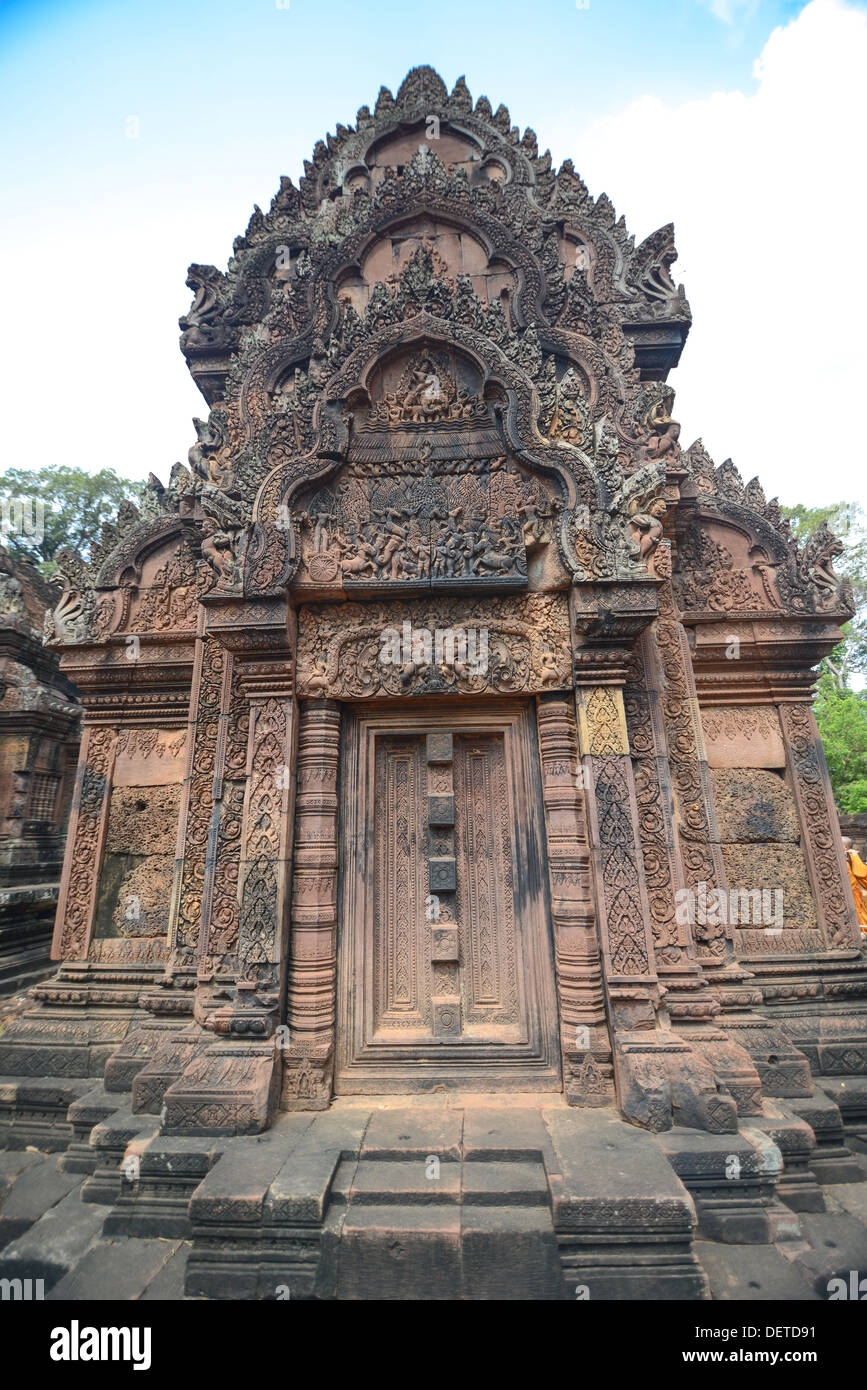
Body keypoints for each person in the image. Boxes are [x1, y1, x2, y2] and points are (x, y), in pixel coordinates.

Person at [842, 837, 867, 933]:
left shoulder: (852, 857)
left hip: (852, 894)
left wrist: (854, 856)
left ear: (845, 847)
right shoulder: (847, 859)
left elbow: (860, 873)